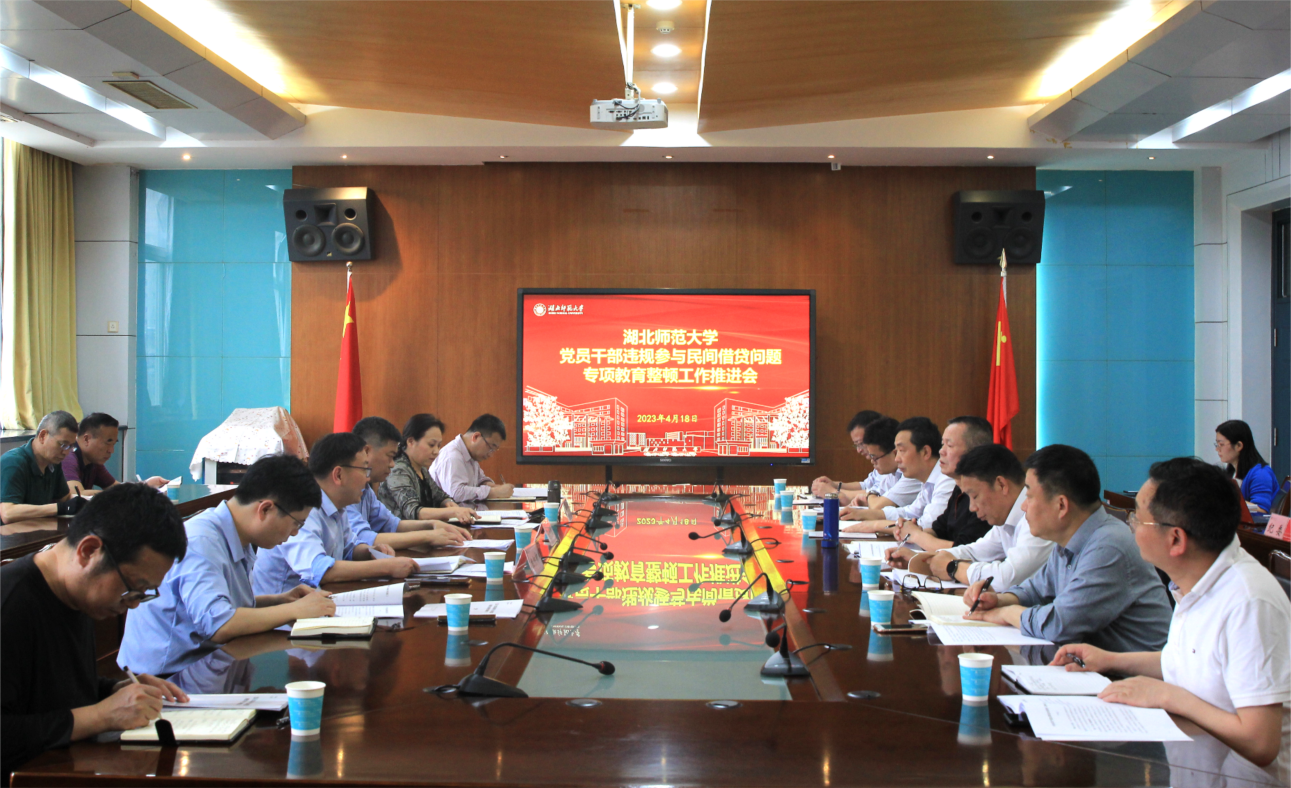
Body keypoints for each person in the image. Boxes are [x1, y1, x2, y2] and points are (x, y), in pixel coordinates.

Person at [1052, 457, 1291, 781]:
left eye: (1137, 519)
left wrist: (1168, 696)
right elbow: (1185, 662)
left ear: (1176, 539)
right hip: (1196, 765)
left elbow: (1260, 742)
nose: (1131, 527)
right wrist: (1109, 660)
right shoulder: (1194, 579)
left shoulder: (1249, 602)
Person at [0, 483, 190, 774]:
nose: (134, 604)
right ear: (88, 551)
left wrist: (114, 689)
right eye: (133, 588)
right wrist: (101, 716)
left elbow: (50, 690)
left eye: (144, 593)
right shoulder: (10, 604)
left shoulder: (79, 595)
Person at [117, 454, 337, 677]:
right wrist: (293, 610)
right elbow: (219, 624)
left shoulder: (235, 534)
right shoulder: (201, 542)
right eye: (296, 523)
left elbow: (225, 606)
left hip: (209, 666)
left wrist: (280, 600)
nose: (295, 533)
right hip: (166, 679)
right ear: (265, 509)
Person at [964, 444, 1172, 651]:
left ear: (1061, 505)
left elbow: (1059, 624)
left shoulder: (1109, 546)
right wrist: (998, 600)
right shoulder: (1068, 541)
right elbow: (1036, 589)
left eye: (1029, 496)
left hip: (1135, 669)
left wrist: (1006, 613)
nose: (1023, 506)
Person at [252, 433, 420, 595]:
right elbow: (320, 569)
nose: (367, 478)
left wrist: (370, 551)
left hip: (319, 600)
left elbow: (349, 549)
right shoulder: (303, 507)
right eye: (364, 470)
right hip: (286, 610)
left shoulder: (338, 507)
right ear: (338, 475)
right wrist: (387, 567)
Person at [888, 444, 1053, 589]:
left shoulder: (1037, 517)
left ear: (1001, 484)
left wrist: (953, 568)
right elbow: (975, 551)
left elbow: (1008, 578)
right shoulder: (1005, 519)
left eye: (975, 496)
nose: (972, 508)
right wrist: (923, 560)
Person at [350, 417, 470, 549]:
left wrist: (432, 525)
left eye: (438, 445)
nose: (392, 464)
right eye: (390, 456)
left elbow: (392, 524)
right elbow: (363, 538)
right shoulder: (346, 489)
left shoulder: (366, 490)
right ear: (366, 451)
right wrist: (428, 535)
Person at [889, 416, 995, 550]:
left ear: (974, 452)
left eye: (949, 445)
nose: (941, 451)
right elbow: (938, 529)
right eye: (942, 444)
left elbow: (967, 550)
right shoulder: (959, 487)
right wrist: (910, 531)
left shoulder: (986, 492)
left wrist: (917, 536)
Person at [842, 417, 953, 532]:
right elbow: (909, 512)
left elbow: (926, 527)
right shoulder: (927, 481)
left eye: (901, 451)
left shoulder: (946, 480)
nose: (897, 459)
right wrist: (863, 514)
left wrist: (875, 525)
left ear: (925, 452)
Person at [379, 414, 478, 524]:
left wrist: (447, 502)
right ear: (410, 441)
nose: (436, 451)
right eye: (431, 445)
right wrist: (453, 512)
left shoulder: (421, 468)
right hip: (400, 532)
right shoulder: (398, 470)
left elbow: (440, 496)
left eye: (439, 446)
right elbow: (413, 511)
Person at [0, 411, 86, 524]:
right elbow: (8, 513)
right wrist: (59, 508)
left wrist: (88, 503)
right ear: (43, 436)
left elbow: (65, 498)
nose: (66, 452)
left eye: (70, 446)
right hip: (7, 533)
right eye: (63, 445)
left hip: (33, 529)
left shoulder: (53, 463)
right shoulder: (14, 463)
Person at [62, 413, 166, 495]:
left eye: (114, 444)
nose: (111, 450)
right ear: (86, 439)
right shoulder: (68, 456)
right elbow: (77, 494)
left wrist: (145, 485)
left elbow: (115, 487)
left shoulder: (92, 461)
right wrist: (114, 495)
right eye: (108, 442)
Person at [430, 414, 514, 502]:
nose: (491, 454)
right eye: (491, 448)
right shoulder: (452, 457)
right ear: (476, 437)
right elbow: (456, 493)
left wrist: (493, 486)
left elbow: (480, 480)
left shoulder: (470, 454)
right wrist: (492, 492)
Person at [845, 416, 922, 510]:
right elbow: (875, 494)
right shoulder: (893, 474)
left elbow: (877, 506)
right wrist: (870, 497)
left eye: (875, 457)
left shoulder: (913, 474)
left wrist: (869, 496)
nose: (872, 461)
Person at [810, 410, 882, 498]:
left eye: (861, 443)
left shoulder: (892, 467)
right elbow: (866, 485)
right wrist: (834, 485)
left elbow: (876, 496)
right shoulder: (880, 463)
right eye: (856, 445)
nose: (859, 450)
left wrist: (832, 492)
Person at [1214, 419, 1279, 513]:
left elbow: (1261, 510)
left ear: (1239, 446)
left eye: (1221, 444)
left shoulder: (1261, 474)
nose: (1217, 449)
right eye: (1217, 444)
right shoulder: (1232, 471)